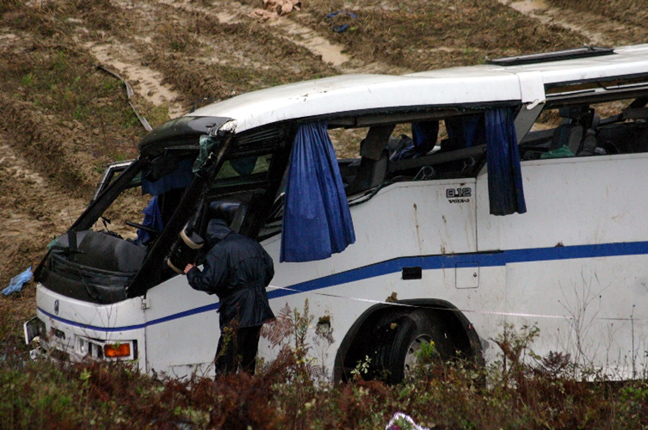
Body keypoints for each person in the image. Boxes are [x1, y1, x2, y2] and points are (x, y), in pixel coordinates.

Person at [183, 217, 275, 376]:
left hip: (236, 312)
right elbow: (269, 271)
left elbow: (208, 283)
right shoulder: (252, 244)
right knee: (248, 361)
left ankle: (225, 398)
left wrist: (192, 272)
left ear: (210, 236)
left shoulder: (219, 250)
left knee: (226, 362)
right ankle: (248, 396)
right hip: (259, 309)